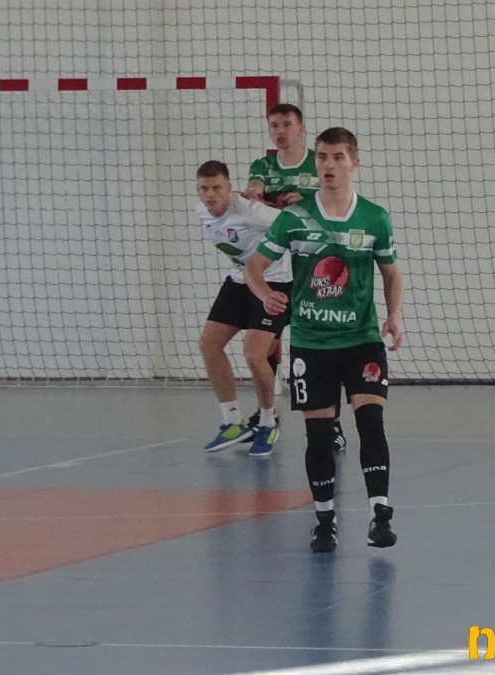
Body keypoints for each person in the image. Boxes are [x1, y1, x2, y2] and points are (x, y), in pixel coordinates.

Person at [244, 127, 405, 552]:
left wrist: (393, 316)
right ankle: (324, 520)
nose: (328, 165)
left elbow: (391, 272)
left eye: (337, 157)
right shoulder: (294, 218)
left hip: (361, 340)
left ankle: (380, 514)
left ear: (354, 162)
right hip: (312, 344)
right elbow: (254, 266)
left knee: (370, 422)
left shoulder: (374, 217)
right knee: (318, 436)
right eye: (321, 157)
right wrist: (265, 294)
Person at [243, 104, 345, 451]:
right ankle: (266, 413)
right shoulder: (264, 166)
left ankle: (332, 421)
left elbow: (335, 199)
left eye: (287, 124)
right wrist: (259, 196)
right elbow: (255, 190)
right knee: (266, 343)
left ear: (300, 128)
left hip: (314, 266)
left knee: (323, 346)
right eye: (274, 125)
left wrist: (308, 200)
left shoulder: (319, 163)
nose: (280, 131)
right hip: (275, 269)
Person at [194, 160, 290, 458]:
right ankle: (233, 421)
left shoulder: (249, 211)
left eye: (217, 188)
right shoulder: (201, 212)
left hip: (275, 281)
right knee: (209, 345)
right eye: (204, 189)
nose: (210, 195)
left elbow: (291, 225)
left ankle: (267, 421)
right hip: (239, 281)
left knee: (253, 353)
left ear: (229, 188)